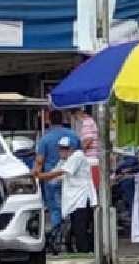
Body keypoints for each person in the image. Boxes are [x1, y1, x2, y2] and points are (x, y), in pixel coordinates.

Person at [37, 136, 97, 254]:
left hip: (83, 199)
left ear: (72, 149)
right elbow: (53, 178)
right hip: (74, 202)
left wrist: (40, 175)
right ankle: (83, 252)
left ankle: (85, 253)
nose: (62, 151)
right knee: (77, 229)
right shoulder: (64, 161)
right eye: (60, 149)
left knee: (81, 230)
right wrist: (42, 176)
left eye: (65, 148)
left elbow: (60, 172)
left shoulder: (77, 156)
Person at [35, 111, 79, 248]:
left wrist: (36, 174)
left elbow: (39, 162)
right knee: (72, 209)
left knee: (55, 210)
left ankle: (57, 239)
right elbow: (80, 153)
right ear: (63, 119)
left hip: (51, 179)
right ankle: (72, 238)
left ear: (49, 120)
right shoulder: (73, 135)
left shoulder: (45, 139)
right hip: (71, 178)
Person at [71, 106, 101, 188]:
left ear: (78, 113)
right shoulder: (90, 121)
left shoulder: (86, 122)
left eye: (75, 117)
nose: (76, 119)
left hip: (90, 159)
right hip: (92, 158)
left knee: (89, 188)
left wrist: (78, 152)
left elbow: (88, 140)